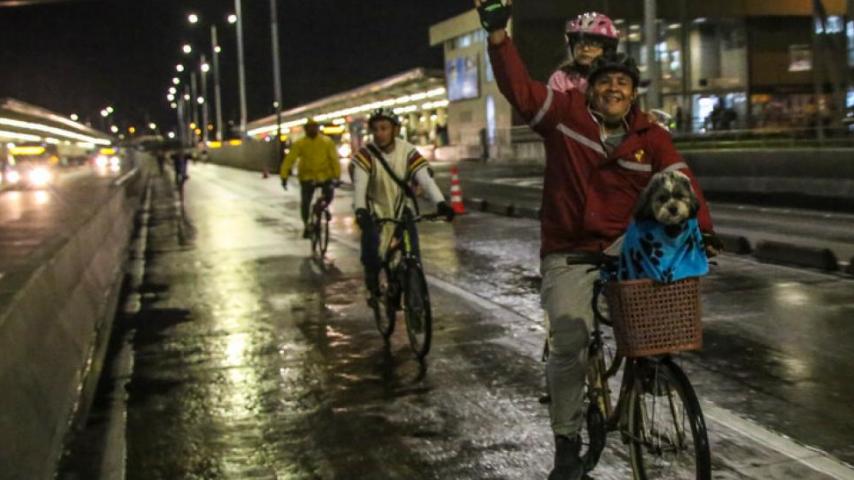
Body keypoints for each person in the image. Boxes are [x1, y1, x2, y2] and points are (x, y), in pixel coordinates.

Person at [474, 2, 719, 479]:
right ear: (590, 87)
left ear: (633, 95)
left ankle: (647, 371)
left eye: (623, 84)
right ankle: (567, 440)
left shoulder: (651, 135)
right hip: (569, 248)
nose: (613, 89)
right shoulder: (565, 114)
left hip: (625, 246)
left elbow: (682, 185)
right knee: (570, 340)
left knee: (657, 318)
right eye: (604, 81)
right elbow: (520, 91)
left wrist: (704, 233)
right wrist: (499, 37)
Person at [351, 108, 455, 300]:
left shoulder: (406, 151)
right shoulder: (365, 156)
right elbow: (359, 188)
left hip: (400, 210)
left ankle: (414, 300)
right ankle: (372, 281)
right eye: (375, 129)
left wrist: (441, 203)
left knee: (413, 253)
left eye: (384, 128)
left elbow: (425, 179)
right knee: (372, 251)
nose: (380, 133)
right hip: (374, 211)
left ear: (395, 130)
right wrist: (361, 212)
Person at [280, 118, 341, 238]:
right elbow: (290, 159)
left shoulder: (326, 142)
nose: (312, 129)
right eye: (309, 127)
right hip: (307, 177)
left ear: (317, 128)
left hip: (325, 176)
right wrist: (284, 175)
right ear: (306, 129)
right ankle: (307, 224)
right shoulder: (300, 143)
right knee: (305, 202)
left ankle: (322, 208)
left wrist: (336, 177)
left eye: (314, 127)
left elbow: (334, 160)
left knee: (329, 195)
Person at [548, 12, 620, 94]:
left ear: (607, 49)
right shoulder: (561, 78)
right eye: (580, 43)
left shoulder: (617, 77)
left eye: (593, 44)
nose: (585, 49)